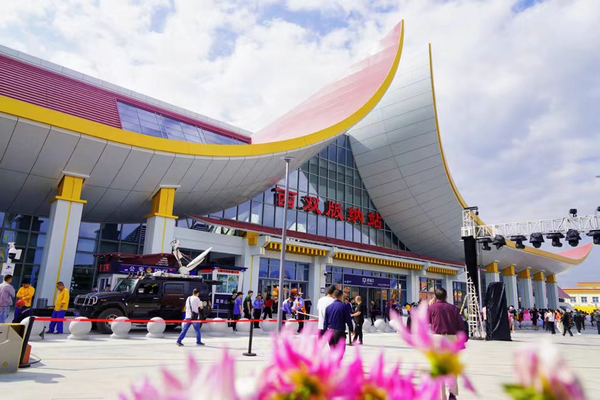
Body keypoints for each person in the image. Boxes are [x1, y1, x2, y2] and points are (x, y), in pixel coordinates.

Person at [427, 288, 465, 400]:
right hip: (452, 338)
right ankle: (452, 394)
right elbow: (460, 326)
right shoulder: (454, 308)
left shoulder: (431, 308)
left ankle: (441, 396)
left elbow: (426, 322)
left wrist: (429, 306)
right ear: (446, 296)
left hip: (437, 339)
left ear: (435, 297)